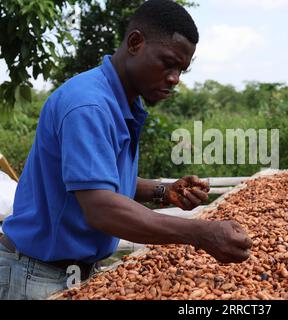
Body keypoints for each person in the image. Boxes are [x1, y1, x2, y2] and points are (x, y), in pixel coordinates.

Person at [0, 0, 252, 300]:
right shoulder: (89, 105)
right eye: (167, 63)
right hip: (36, 276)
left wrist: (163, 191)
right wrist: (200, 234)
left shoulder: (122, 103)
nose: (174, 79)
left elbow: (100, 182)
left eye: (181, 70)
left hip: (72, 273)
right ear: (135, 42)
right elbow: (102, 208)